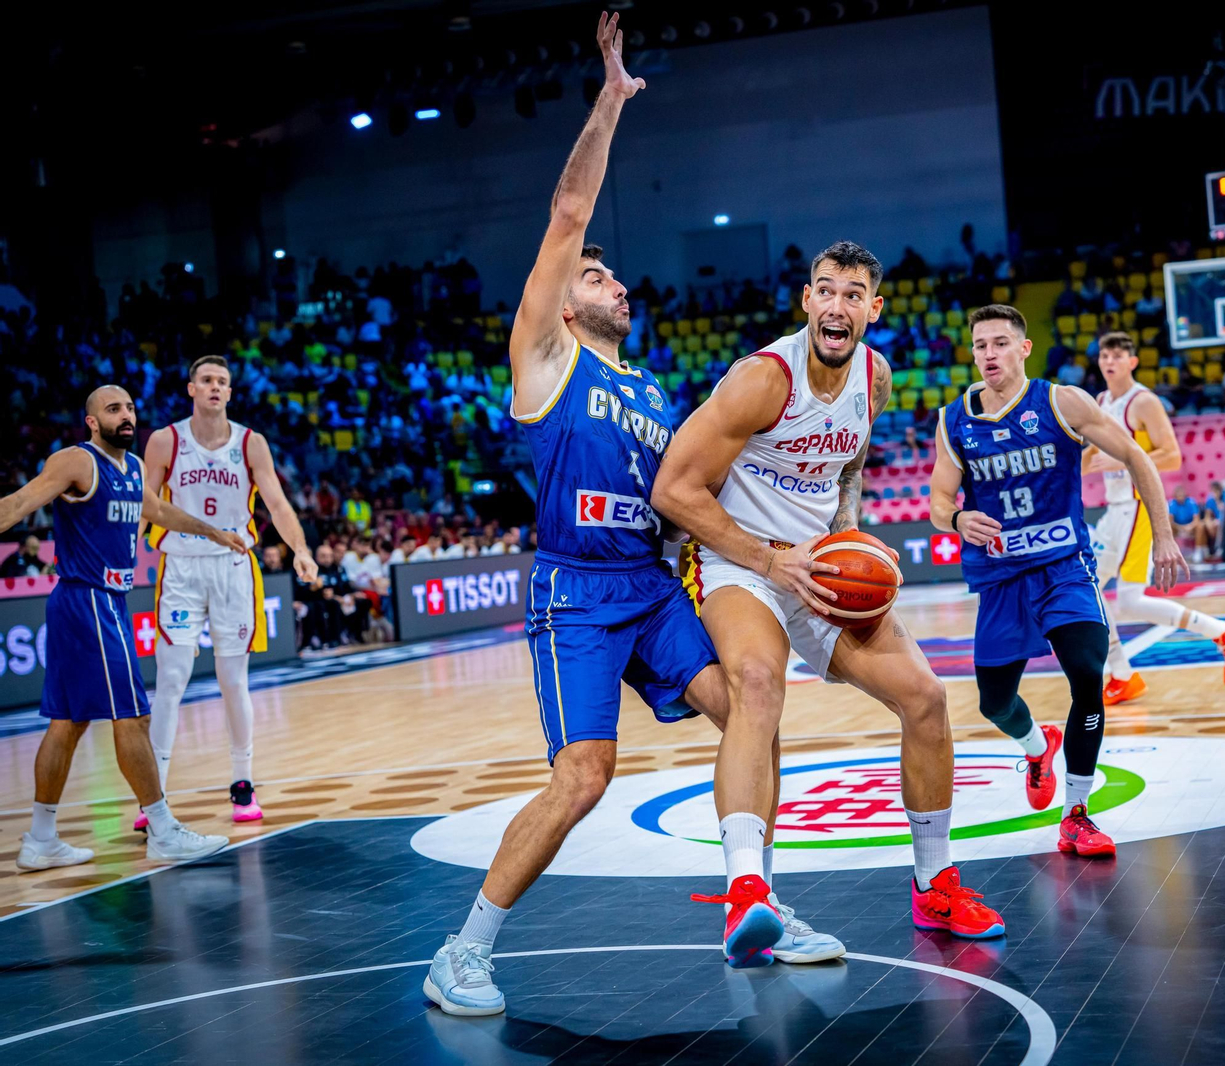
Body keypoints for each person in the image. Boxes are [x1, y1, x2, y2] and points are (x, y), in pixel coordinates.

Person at [424, 17, 839, 1021]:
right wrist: (610, 98)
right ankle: (462, 951)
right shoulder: (546, 357)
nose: (611, 280)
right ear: (563, 304)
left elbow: (703, 496)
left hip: (654, 588)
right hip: (577, 590)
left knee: (752, 710)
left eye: (612, 273)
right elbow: (570, 208)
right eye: (594, 275)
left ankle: (757, 899)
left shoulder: (657, 394)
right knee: (584, 774)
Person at [654, 241, 1010, 961]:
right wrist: (768, 559)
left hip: (816, 565)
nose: (838, 305)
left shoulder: (872, 377)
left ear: (873, 310)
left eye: (854, 294)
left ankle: (935, 885)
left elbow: (848, 462)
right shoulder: (761, 380)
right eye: (827, 291)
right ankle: (748, 893)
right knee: (758, 683)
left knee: (926, 697)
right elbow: (673, 491)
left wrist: (850, 539)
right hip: (738, 562)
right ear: (807, 302)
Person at [927, 305, 1185, 858]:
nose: (989, 354)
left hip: (1064, 566)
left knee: (1088, 674)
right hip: (999, 576)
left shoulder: (1061, 402)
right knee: (995, 703)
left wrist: (1163, 535)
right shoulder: (955, 420)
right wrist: (954, 519)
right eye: (980, 346)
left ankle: (1076, 813)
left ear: (1024, 348)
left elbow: (1139, 458)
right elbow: (938, 499)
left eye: (1000, 343)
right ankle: (1034, 743)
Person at [0, 385, 237, 872]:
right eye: (113, 410)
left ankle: (41, 838)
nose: (125, 416)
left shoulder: (129, 468)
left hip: (92, 603)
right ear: (91, 421)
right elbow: (18, 505)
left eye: (129, 407)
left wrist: (214, 532)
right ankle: (163, 830)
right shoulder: (75, 461)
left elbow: (160, 511)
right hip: (89, 599)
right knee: (133, 717)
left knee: (68, 722)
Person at [141, 356, 318, 828]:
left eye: (222, 381)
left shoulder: (250, 443)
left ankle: (243, 782)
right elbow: (145, 504)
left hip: (233, 566)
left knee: (233, 679)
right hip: (180, 567)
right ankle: (152, 793)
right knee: (171, 680)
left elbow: (277, 503)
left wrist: (299, 549)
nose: (215, 387)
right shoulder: (165, 441)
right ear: (191, 388)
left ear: (230, 392)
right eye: (207, 380)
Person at [1085, 332, 1225, 706]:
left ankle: (1121, 673)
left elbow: (1172, 456)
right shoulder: (1099, 402)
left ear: (1132, 361)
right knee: (1126, 600)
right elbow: (1093, 455)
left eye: (1117, 355)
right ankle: (1223, 631)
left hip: (1138, 506)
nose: (1109, 361)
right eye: (1104, 355)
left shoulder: (1143, 402)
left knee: (1085, 587)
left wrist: (1124, 459)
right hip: (1117, 509)